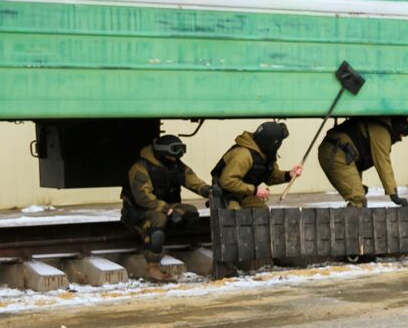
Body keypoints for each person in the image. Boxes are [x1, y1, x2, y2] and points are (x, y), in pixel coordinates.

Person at [121, 134, 210, 282]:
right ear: (162, 153)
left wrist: (209, 191)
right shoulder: (140, 168)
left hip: (164, 207)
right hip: (139, 211)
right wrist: (168, 210)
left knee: (190, 213)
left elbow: (193, 181)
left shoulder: (176, 165)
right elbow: (143, 198)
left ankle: (163, 233)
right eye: (171, 156)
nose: (175, 160)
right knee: (159, 219)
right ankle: (153, 266)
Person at [318, 116, 408, 208]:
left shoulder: (376, 123)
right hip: (337, 153)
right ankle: (348, 223)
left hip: (333, 151)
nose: (400, 139)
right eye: (401, 135)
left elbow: (358, 151)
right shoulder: (381, 132)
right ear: (397, 127)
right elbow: (383, 164)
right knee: (358, 199)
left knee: (358, 194)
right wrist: (393, 194)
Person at [211, 121, 301, 209]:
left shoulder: (264, 153)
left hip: (242, 193)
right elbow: (226, 181)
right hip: (225, 194)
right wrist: (255, 191)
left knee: (262, 214)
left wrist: (288, 175)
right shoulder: (243, 155)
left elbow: (269, 177)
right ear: (273, 143)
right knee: (235, 217)